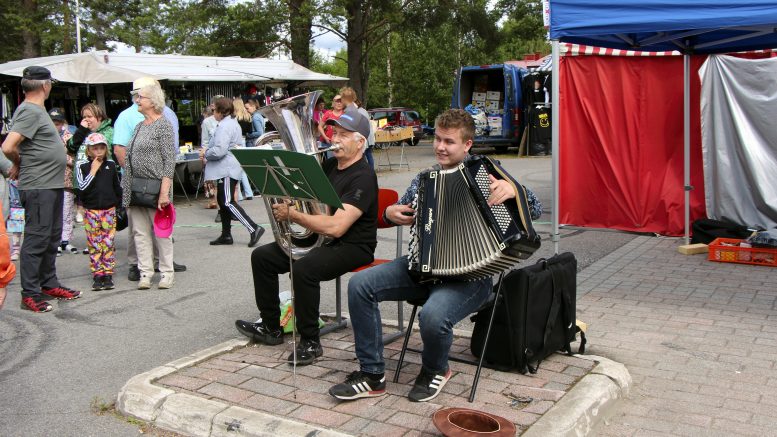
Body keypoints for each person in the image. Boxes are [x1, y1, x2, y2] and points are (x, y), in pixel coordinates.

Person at [328, 109, 543, 402]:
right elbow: (398, 210)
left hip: (472, 276)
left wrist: (515, 190)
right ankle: (372, 375)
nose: (441, 147)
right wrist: (390, 213)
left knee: (432, 315)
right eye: (438, 139)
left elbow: (535, 208)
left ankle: (435, 370)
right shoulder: (424, 178)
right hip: (423, 266)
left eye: (449, 142)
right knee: (361, 285)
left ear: (467, 145)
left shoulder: (489, 174)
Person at [234, 105, 378, 366]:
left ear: (360, 142)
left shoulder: (364, 177)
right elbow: (310, 197)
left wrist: (294, 215)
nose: (334, 138)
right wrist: (288, 191)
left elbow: (337, 227)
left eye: (344, 134)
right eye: (335, 132)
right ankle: (271, 328)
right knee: (262, 257)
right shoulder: (332, 165)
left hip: (353, 244)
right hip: (324, 238)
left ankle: (311, 342)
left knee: (305, 269)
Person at [1, 66, 82, 312]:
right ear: (45, 86)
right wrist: (18, 163)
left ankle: (48, 283)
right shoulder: (28, 110)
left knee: (51, 237)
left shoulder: (36, 110)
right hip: (39, 185)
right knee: (37, 239)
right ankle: (31, 294)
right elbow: (8, 146)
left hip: (50, 183)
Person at [113, 77, 186, 281]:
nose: (136, 99)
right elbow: (121, 150)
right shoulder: (137, 125)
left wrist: (164, 192)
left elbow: (169, 160)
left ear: (152, 100)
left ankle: (166, 272)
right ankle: (145, 273)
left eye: (140, 96)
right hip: (135, 187)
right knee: (140, 233)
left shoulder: (163, 125)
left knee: (161, 233)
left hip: (155, 188)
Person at [201, 97, 263, 248]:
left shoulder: (225, 126)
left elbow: (220, 150)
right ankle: (226, 234)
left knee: (227, 201)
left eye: (214, 110)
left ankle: (254, 228)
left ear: (222, 111)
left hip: (226, 168)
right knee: (223, 202)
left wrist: (206, 152)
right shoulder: (228, 123)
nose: (212, 112)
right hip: (227, 167)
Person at [77, 133, 122, 291]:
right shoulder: (82, 166)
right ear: (89, 150)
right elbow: (81, 190)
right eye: (95, 148)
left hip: (108, 210)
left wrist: (120, 205)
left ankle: (108, 273)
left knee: (108, 243)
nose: (99, 151)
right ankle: (97, 273)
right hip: (91, 211)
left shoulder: (110, 165)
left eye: (102, 147)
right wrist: (93, 171)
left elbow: (117, 187)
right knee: (95, 243)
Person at [48, 108, 80, 255]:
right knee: (53, 213)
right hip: (48, 181)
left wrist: (62, 157)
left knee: (66, 212)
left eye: (58, 123)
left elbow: (76, 159)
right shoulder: (44, 137)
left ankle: (66, 240)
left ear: (63, 123)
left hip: (66, 181)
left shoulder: (70, 137)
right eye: (53, 122)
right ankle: (55, 242)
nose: (56, 125)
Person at [339, 87, 375, 169]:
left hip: (356, 142)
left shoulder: (350, 111)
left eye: (341, 98)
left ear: (344, 99)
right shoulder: (355, 109)